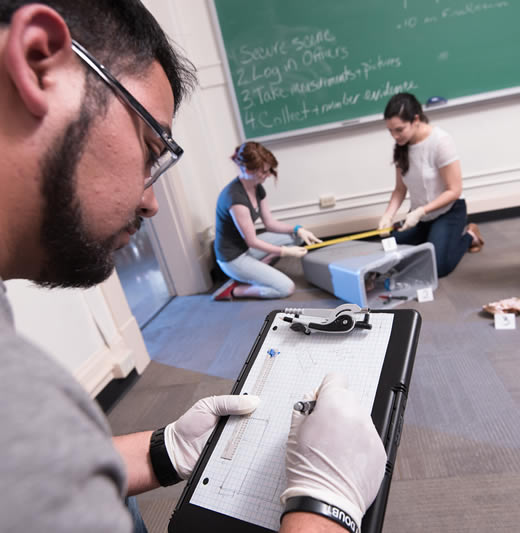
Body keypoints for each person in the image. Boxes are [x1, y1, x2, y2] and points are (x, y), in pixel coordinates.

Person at [0, 2, 386, 532]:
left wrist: (160, 452)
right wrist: (327, 509)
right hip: (238, 259)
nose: (152, 203)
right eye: (149, 146)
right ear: (38, 60)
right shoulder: (17, 394)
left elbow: (43, 472)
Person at [378, 93, 484, 278]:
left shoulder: (440, 141)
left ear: (416, 119)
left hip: (448, 211)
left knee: (438, 267)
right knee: (389, 250)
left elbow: (454, 190)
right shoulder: (402, 144)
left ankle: (469, 236)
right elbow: (400, 189)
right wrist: (388, 215)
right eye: (390, 131)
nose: (394, 136)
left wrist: (421, 211)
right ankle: (431, 238)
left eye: (399, 130)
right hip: (420, 217)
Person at [212, 141, 322, 301]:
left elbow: (270, 223)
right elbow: (252, 241)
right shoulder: (235, 198)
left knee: (295, 237)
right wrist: (283, 251)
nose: (268, 175)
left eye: (269, 170)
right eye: (263, 172)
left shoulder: (257, 187)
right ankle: (235, 290)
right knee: (285, 288)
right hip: (233, 258)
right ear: (246, 169)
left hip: (246, 248)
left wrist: (298, 229)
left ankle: (258, 268)